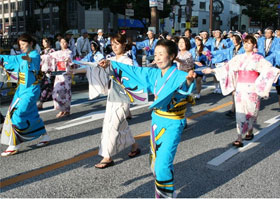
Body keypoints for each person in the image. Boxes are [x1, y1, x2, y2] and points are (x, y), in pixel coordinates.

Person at [99, 39, 196, 198]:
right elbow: (135, 72)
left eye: (161, 54)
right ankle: (162, 189)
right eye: (155, 54)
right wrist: (110, 65)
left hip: (172, 124)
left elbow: (185, 85)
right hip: (156, 121)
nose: (156, 58)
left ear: (172, 56)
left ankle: (164, 196)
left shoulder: (180, 75)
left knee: (162, 165)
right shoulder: (154, 73)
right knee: (155, 163)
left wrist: (188, 80)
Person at [203, 35, 280, 147]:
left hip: (253, 88)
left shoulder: (259, 58)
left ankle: (250, 131)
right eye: (245, 42)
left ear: (254, 45)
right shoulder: (239, 58)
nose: (246, 45)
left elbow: (269, 69)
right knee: (240, 113)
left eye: (249, 43)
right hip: (241, 88)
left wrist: (277, 71)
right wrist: (212, 70)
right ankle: (239, 137)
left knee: (252, 111)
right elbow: (227, 68)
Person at [81, 33, 140, 169]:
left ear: (124, 44)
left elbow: (129, 75)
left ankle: (107, 156)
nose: (114, 47)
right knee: (120, 123)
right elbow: (100, 72)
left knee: (111, 124)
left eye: (117, 44)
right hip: (112, 95)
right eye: (112, 44)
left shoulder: (128, 61)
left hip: (123, 96)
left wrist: (110, 65)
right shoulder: (110, 58)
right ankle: (134, 146)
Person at [0, 33, 51, 156]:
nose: (21, 46)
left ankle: (14, 144)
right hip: (21, 90)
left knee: (16, 114)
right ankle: (45, 136)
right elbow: (11, 60)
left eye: (23, 44)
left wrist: (28, 60)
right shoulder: (23, 56)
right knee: (32, 114)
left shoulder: (34, 55)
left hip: (31, 91)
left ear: (31, 43)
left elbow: (32, 62)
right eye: (20, 45)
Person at [211, 33, 245, 118]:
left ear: (240, 40)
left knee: (239, 92)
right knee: (234, 91)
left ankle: (237, 109)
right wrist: (209, 53)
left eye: (236, 39)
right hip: (233, 73)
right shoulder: (230, 49)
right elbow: (221, 53)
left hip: (242, 73)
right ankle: (234, 109)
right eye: (232, 39)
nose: (234, 41)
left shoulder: (244, 49)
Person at [49, 37, 73, 118]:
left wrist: (67, 60)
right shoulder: (57, 53)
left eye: (65, 42)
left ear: (67, 43)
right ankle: (62, 109)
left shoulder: (69, 52)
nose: (63, 44)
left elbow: (70, 60)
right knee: (56, 91)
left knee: (66, 92)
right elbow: (49, 57)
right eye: (61, 42)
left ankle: (66, 110)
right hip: (59, 74)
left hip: (66, 74)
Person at [37, 38, 56, 110]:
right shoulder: (42, 52)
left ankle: (41, 103)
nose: (43, 44)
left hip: (50, 71)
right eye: (42, 42)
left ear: (49, 42)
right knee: (45, 87)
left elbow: (54, 61)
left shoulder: (52, 51)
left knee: (47, 87)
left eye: (44, 42)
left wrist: (52, 70)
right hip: (43, 71)